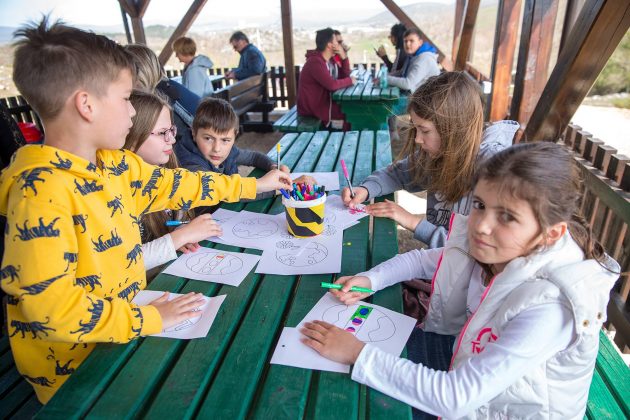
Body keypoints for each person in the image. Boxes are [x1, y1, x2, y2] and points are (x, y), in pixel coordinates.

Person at [0, 17, 291, 403]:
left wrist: (254, 186)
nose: (132, 113)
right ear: (86, 105)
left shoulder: (114, 164)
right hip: (78, 374)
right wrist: (151, 318)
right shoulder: (40, 194)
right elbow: (52, 310)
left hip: (125, 332)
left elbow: (182, 185)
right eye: (125, 99)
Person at [302, 142, 619, 419]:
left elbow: (455, 398)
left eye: (507, 216)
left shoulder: (551, 306)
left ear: (551, 234)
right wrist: (369, 280)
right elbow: (421, 260)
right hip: (464, 358)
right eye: (480, 205)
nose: (481, 226)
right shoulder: (496, 245)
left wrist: (357, 353)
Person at [343, 72, 519, 249]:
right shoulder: (442, 153)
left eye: (425, 131)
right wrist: (366, 189)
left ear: (454, 128)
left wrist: (413, 221)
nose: (417, 139)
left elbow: (475, 250)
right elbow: (398, 173)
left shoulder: (493, 174)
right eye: (416, 129)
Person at [123, 91, 222, 270]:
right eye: (162, 133)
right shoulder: (122, 189)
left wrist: (180, 233)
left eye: (171, 130)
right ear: (131, 138)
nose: (172, 139)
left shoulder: (167, 165)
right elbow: (123, 263)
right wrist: (179, 237)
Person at [175, 97, 290, 205]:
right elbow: (232, 194)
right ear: (194, 133)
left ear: (235, 136)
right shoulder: (190, 165)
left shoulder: (228, 151)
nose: (217, 148)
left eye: (225, 140)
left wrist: (272, 166)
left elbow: (254, 157)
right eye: (208, 138)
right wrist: (277, 189)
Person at [297, 27, 355, 130]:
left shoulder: (329, 60)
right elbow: (332, 85)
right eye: (337, 41)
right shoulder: (315, 62)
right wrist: (350, 80)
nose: (341, 45)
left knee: (351, 111)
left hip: (323, 104)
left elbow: (343, 77)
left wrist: (344, 58)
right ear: (329, 45)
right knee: (351, 116)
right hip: (314, 109)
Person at [376, 28, 439, 93]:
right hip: (417, 95)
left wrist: (386, 79)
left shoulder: (424, 59)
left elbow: (408, 84)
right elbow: (401, 72)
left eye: (411, 41)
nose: (408, 44)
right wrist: (384, 77)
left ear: (420, 42)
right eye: (405, 41)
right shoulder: (412, 56)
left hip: (428, 97)